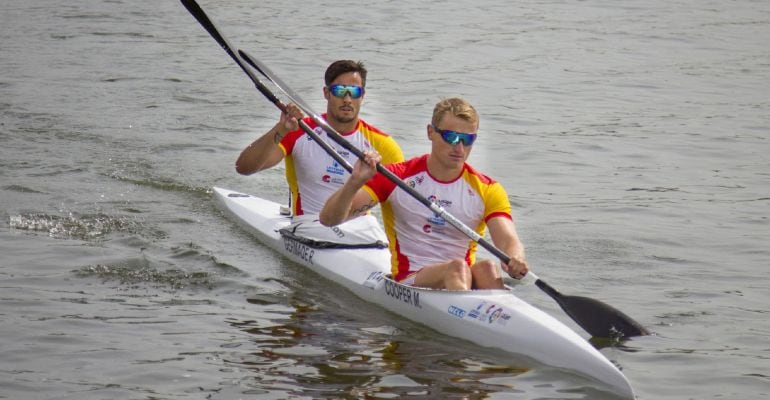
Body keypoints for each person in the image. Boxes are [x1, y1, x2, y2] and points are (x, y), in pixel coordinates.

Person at [319, 97, 528, 290]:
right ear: (430, 132)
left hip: (459, 279)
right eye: (451, 137)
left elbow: (507, 239)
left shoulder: (487, 189)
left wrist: (515, 257)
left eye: (467, 139)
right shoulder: (397, 178)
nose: (460, 147)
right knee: (456, 268)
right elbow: (329, 219)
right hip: (410, 280)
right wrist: (355, 182)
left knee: (488, 268)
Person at [235, 60, 404, 216]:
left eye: (354, 92)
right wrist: (281, 128)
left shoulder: (383, 145)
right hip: (308, 227)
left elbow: (402, 202)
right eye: (339, 91)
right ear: (326, 93)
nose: (347, 99)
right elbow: (244, 167)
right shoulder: (300, 130)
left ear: (362, 96)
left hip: (361, 231)